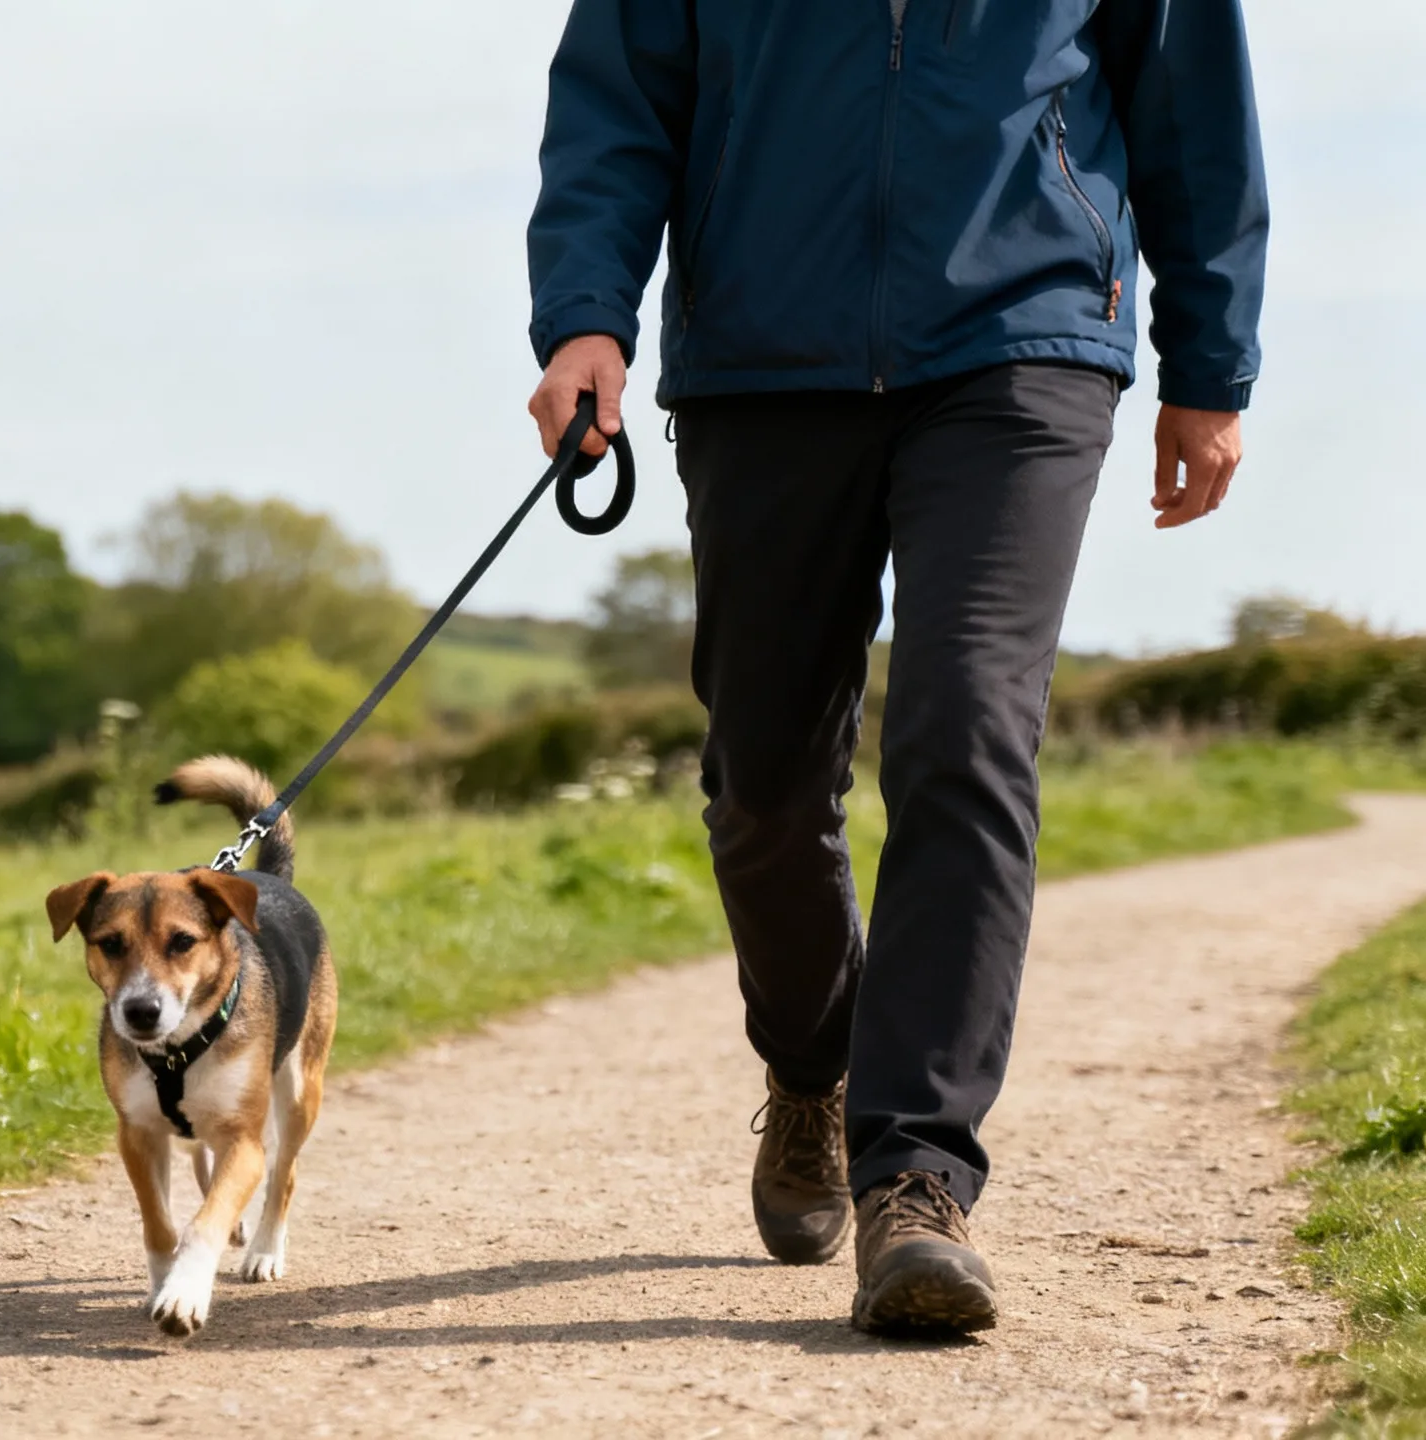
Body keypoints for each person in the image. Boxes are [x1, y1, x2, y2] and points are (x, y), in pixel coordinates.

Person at [525, 0, 1266, 1335]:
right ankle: (810, 1065)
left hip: (1021, 341)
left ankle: (916, 1178)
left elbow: (1192, 106)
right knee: (763, 783)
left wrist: (1209, 363)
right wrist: (587, 311)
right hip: (763, 356)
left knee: (967, 728)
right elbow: (616, 102)